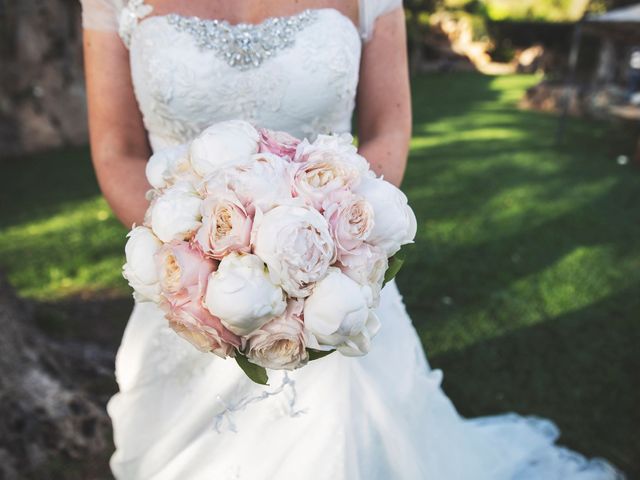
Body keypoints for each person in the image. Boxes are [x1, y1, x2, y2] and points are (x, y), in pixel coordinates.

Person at [80, 1, 624, 478]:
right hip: (185, 286)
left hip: (334, 281)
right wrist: (198, 261)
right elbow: (116, 151)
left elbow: (389, 129)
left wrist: (325, 247)